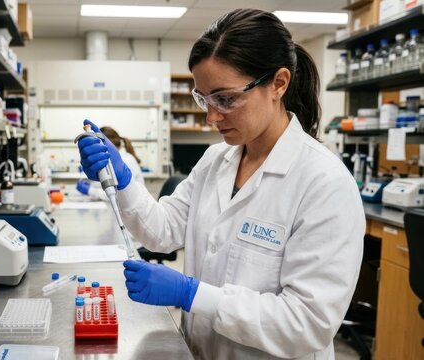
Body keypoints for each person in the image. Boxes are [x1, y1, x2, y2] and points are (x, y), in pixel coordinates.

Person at [77, 8, 364, 360]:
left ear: (278, 83)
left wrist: (192, 294)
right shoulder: (216, 160)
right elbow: (162, 231)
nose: (211, 116)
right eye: (204, 98)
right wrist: (123, 179)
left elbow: (306, 323)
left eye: (225, 99)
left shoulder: (324, 183)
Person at [76, 126, 145, 199]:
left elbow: (115, 195)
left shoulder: (126, 160)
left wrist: (90, 190)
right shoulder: (116, 159)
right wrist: (92, 184)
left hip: (132, 207)